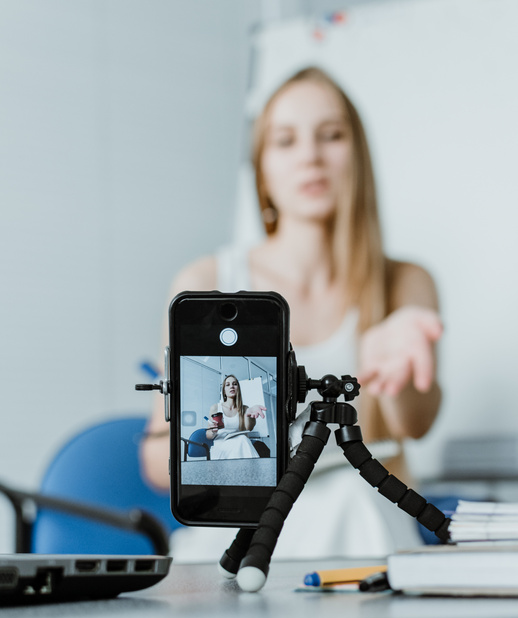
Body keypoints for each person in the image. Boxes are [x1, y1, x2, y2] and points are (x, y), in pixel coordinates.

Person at [141, 66, 443, 560]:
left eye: (332, 136)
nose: (311, 156)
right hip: (242, 518)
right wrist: (217, 442)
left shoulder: (405, 283)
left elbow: (415, 424)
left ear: (358, 156)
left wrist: (398, 370)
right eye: (286, 141)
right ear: (260, 169)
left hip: (360, 517)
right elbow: (157, 459)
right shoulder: (206, 281)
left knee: (351, 502)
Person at [206, 375, 266, 460]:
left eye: (234, 384)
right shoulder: (215, 408)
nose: (231, 386)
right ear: (224, 390)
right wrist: (212, 431)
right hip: (221, 445)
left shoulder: (245, 408)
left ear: (238, 388)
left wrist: (247, 414)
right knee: (243, 441)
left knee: (243, 439)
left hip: (239, 443)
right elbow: (208, 435)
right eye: (228, 385)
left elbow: (248, 428)